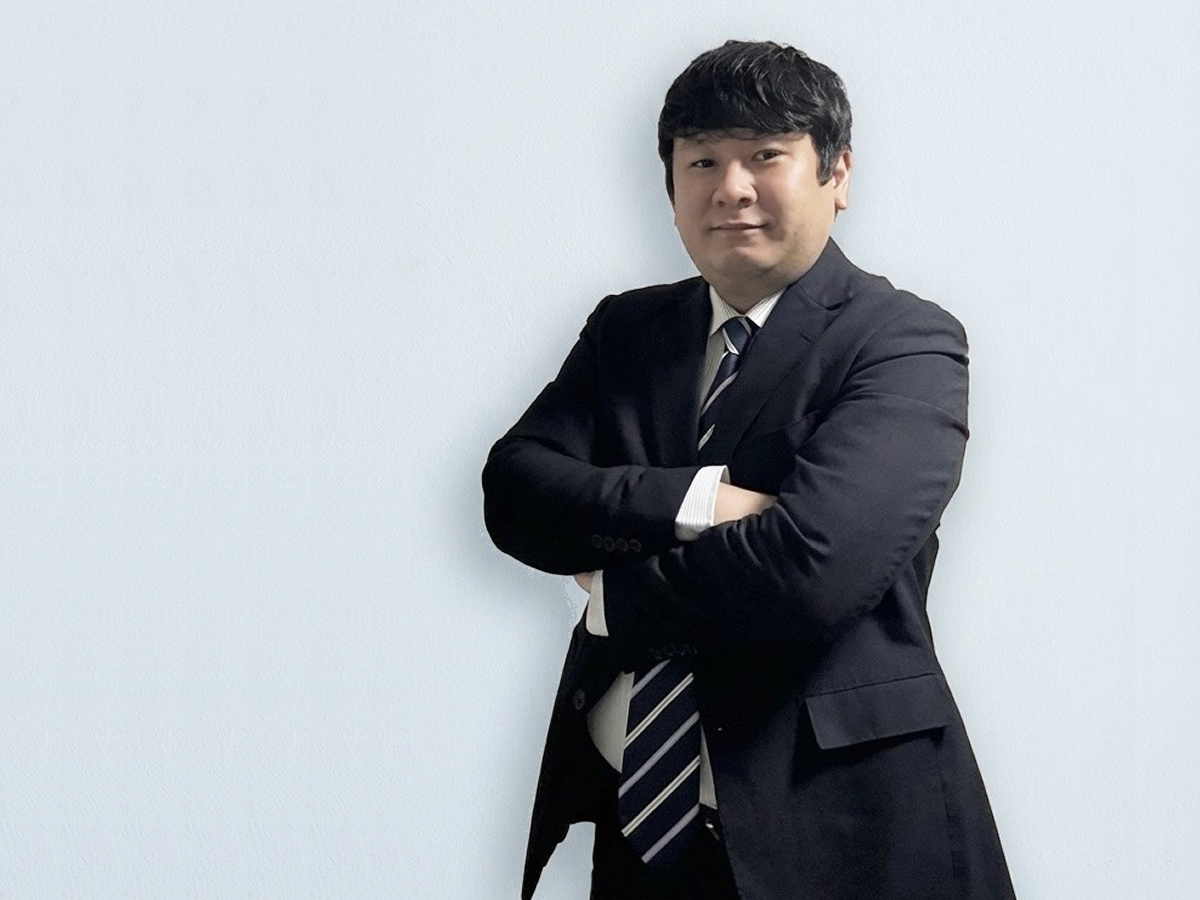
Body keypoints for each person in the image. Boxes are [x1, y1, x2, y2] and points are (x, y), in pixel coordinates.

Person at [482, 40, 1015, 900]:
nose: (730, 187)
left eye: (765, 155)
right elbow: (515, 493)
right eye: (702, 161)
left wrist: (616, 594)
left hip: (844, 833)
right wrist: (701, 500)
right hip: (641, 828)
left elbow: (816, 565)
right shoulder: (627, 331)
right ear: (670, 187)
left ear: (838, 173)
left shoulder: (903, 340)